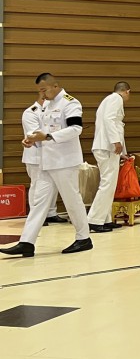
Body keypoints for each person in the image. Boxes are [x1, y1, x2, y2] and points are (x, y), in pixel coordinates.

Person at [1, 74, 93, 257]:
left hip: (65, 161)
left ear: (55, 86)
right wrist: (32, 140)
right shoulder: (47, 106)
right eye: (39, 91)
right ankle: (27, 242)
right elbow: (43, 132)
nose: (42, 94)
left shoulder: (70, 103)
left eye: (44, 90)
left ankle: (84, 238)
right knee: (38, 202)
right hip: (47, 161)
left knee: (71, 200)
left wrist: (48, 137)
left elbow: (76, 129)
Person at [87, 81, 131, 233]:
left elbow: (116, 125)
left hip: (107, 146)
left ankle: (105, 219)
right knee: (107, 184)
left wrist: (123, 151)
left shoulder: (108, 100)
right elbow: (109, 119)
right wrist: (115, 141)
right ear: (127, 91)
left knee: (109, 184)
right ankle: (94, 219)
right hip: (107, 146)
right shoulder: (116, 98)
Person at [22, 90, 62, 224]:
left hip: (51, 154)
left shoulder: (53, 112)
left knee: (53, 184)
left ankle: (50, 213)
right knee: (37, 185)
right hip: (35, 155)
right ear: (43, 98)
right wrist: (52, 135)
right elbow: (34, 134)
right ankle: (36, 215)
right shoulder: (31, 112)